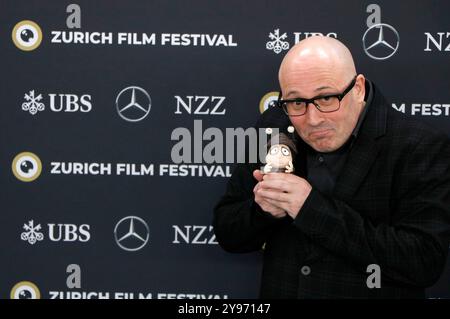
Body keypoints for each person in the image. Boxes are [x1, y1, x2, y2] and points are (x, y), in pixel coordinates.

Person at [213, 36, 450, 298]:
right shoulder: (274, 125)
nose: (313, 119)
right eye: (297, 102)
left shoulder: (418, 145)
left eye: (326, 98)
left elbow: (424, 261)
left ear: (358, 88)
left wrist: (310, 208)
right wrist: (263, 211)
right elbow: (228, 232)